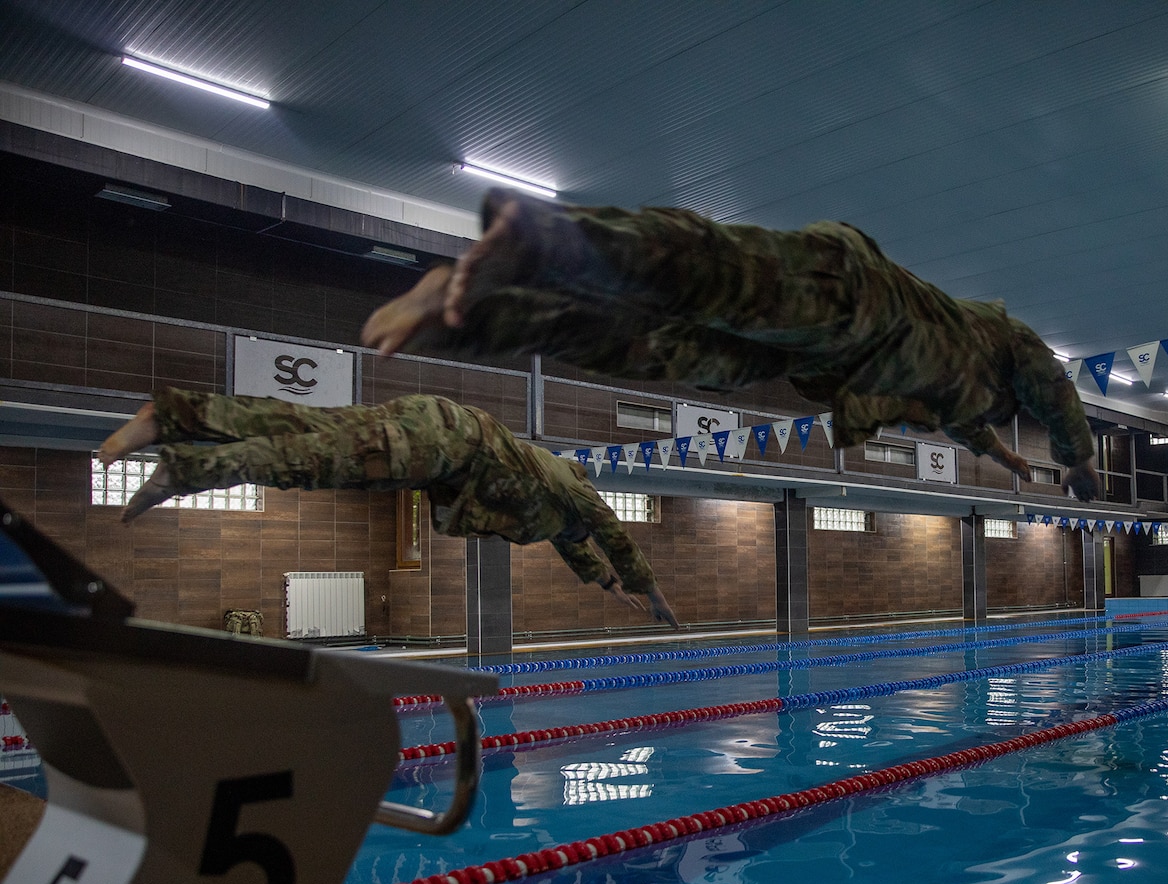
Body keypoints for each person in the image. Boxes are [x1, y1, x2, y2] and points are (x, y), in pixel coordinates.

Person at [362, 189, 1103, 501]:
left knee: (663, 350)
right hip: (862, 302)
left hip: (820, 362)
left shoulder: (967, 398)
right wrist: (1079, 460)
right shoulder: (1007, 340)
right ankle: (550, 242)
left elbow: (966, 427)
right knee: (716, 277)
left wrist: (1010, 464)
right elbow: (1060, 394)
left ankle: (473, 320)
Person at [98, 388, 679, 628]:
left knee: (311, 426)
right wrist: (649, 589)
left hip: (444, 437)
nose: (577, 537)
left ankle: (174, 415)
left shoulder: (558, 519)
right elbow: (608, 529)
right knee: (324, 460)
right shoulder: (570, 484)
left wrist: (612, 586)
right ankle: (190, 469)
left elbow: (581, 546)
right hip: (454, 443)